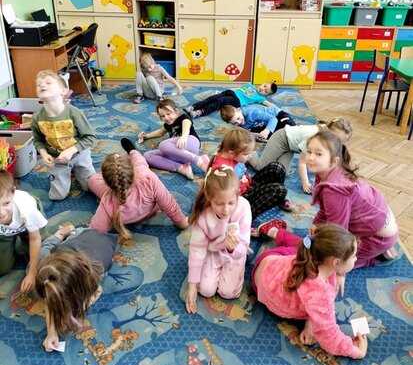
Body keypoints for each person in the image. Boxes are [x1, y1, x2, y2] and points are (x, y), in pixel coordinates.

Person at [252, 224, 368, 359]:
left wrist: (340, 273)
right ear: (336, 263)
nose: (356, 259)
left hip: (269, 260)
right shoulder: (319, 293)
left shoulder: (310, 254)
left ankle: (277, 233)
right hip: (260, 286)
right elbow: (328, 335)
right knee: (299, 245)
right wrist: (355, 351)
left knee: (300, 244)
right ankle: (276, 232)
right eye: (353, 256)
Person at [307, 130, 399, 268]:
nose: (310, 157)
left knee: (332, 263)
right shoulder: (327, 171)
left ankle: (376, 257)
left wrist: (336, 264)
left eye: (318, 154)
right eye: (309, 151)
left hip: (378, 238)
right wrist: (317, 223)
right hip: (379, 220)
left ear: (334, 161)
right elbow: (326, 208)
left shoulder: (334, 191)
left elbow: (339, 235)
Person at [36, 223, 118, 351]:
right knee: (38, 263)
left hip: (86, 233)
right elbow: (50, 297)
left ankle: (65, 232)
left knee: (39, 257)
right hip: (71, 248)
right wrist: (51, 332)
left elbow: (98, 291)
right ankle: (61, 234)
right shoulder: (58, 258)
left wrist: (76, 308)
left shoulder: (92, 279)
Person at [186, 166, 251, 313]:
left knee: (228, 293)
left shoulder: (244, 207)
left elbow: (243, 246)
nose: (226, 210)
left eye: (231, 203)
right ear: (209, 198)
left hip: (235, 253)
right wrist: (192, 286)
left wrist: (232, 248)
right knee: (205, 290)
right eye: (219, 203)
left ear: (238, 195)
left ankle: (236, 268)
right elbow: (197, 249)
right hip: (213, 251)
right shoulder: (203, 216)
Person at [88, 139, 188, 235]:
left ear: (106, 182)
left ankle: (126, 160)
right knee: (140, 163)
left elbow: (94, 233)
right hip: (151, 210)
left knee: (92, 180)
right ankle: (133, 151)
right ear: (133, 171)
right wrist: (182, 223)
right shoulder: (148, 179)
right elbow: (170, 204)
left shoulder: (107, 202)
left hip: (123, 216)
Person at [31, 70, 96, 200]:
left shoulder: (74, 113)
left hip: (79, 154)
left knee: (91, 187)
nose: (42, 85)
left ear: (63, 90)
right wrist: (44, 154)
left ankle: (76, 172)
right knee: (58, 196)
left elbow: (90, 138)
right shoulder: (36, 117)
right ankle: (68, 174)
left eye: (48, 83)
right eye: (39, 84)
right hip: (57, 159)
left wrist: (71, 150)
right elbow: (37, 140)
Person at [249, 117, 353, 194]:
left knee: (281, 174)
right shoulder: (314, 137)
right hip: (281, 138)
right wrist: (305, 183)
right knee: (260, 166)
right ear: (329, 132)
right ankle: (248, 150)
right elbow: (302, 163)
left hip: (290, 147)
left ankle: (273, 156)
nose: (339, 144)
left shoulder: (328, 136)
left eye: (342, 142)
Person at [210, 128, 295, 221]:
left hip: (246, 184)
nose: (250, 156)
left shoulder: (230, 154)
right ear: (232, 153)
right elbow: (225, 199)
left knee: (277, 167)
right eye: (247, 154)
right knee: (280, 190)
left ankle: (278, 199)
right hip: (239, 199)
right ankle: (248, 217)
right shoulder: (222, 170)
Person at [0, 170, 47, 292]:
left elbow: (35, 239)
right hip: (5, 232)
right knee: (3, 268)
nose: (1, 212)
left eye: (6, 203)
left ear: (13, 194)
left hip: (28, 224)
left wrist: (31, 273)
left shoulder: (26, 208)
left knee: (43, 261)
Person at [140, 98, 209, 180]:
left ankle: (198, 160)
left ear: (176, 111)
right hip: (179, 154)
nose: (166, 118)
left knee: (163, 145)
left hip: (190, 142)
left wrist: (184, 136)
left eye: (168, 114)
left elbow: (187, 123)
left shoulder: (183, 117)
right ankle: (181, 168)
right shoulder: (167, 125)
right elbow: (160, 132)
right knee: (147, 155)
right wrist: (146, 136)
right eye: (162, 116)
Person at [184, 82, 278, 119]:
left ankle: (200, 112)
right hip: (230, 92)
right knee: (212, 98)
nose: (263, 89)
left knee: (219, 102)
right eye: (264, 86)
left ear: (266, 95)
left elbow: (269, 104)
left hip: (236, 100)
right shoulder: (249, 85)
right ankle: (194, 107)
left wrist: (278, 110)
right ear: (263, 83)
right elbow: (238, 88)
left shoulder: (260, 98)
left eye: (266, 91)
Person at [220, 103, 296, 142]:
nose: (239, 122)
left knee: (291, 128)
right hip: (262, 124)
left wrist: (267, 130)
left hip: (277, 116)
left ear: (239, 110)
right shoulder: (238, 119)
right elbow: (248, 131)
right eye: (235, 123)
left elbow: (273, 119)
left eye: (238, 118)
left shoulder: (252, 112)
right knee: (260, 137)